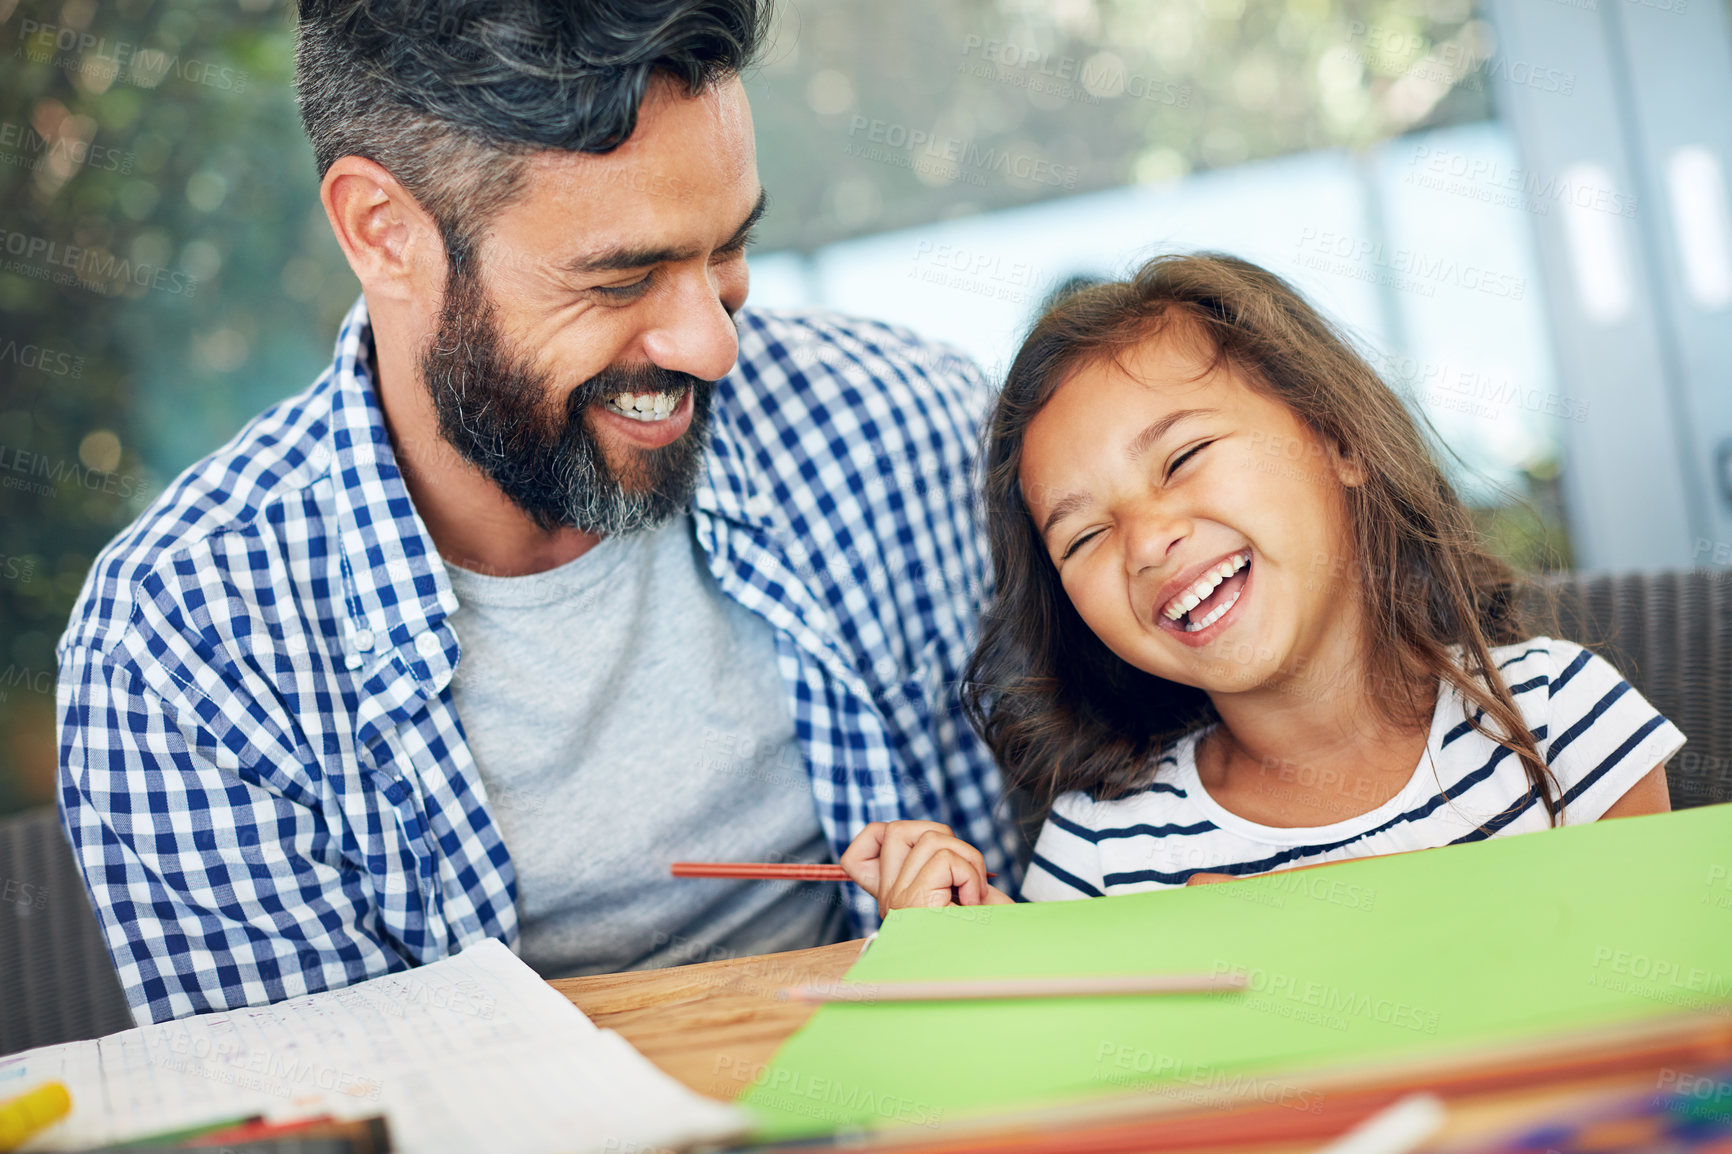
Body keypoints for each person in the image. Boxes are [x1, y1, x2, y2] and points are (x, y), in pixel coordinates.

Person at [56, 0, 1016, 1025]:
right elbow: (329, 1121)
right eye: (622, 277)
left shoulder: (914, 428)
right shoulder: (184, 653)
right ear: (385, 233)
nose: (712, 347)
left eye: (727, 250)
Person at [841, 253, 1677, 914]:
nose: (1146, 540)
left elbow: (1662, 1015)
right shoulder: (1102, 848)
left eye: (1182, 457)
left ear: (1340, 441)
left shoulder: (1556, 720)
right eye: (1086, 535)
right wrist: (976, 958)